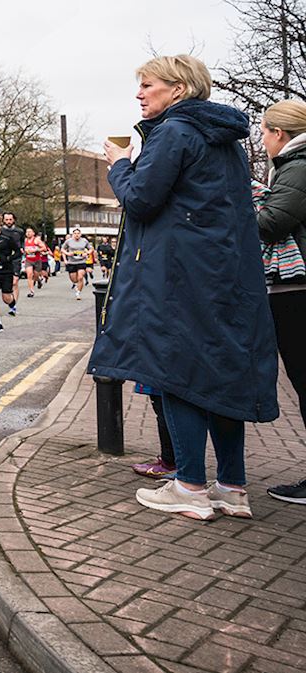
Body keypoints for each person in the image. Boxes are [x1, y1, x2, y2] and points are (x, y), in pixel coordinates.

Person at [89, 55, 277, 522]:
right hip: (224, 273)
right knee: (222, 374)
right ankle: (232, 486)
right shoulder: (226, 140)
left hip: (179, 275)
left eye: (147, 85)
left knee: (176, 372)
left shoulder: (174, 132)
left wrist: (120, 166)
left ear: (177, 89)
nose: (139, 94)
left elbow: (141, 200)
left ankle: (190, 485)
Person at [256, 99, 306, 504]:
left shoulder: (298, 167)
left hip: (298, 293)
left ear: (279, 134)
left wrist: (245, 205)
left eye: (264, 131)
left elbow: (271, 223)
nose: (262, 138)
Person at [0, 212, 24, 314]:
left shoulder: (19, 231)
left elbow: (22, 243)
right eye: (6, 219)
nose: (8, 221)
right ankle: (9, 299)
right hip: (4, 259)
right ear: (3, 220)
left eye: (10, 219)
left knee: (15, 282)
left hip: (16, 259)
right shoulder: (0, 231)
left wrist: (23, 249)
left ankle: (13, 307)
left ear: (14, 220)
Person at [61, 227, 91, 299]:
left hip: (81, 261)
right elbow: (62, 249)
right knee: (74, 279)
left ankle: (78, 293)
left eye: (78, 233)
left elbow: (91, 249)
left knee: (80, 277)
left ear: (80, 234)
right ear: (73, 234)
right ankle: (76, 285)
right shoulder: (68, 241)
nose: (77, 235)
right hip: (72, 262)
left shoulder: (84, 241)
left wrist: (87, 253)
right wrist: (67, 254)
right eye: (75, 233)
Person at [22, 226, 49, 297]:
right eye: (27, 232)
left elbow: (44, 248)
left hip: (37, 260)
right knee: (29, 274)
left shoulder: (36, 240)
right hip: (28, 260)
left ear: (33, 233)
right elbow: (21, 248)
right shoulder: (24, 241)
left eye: (30, 232)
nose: (28, 233)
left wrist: (35, 250)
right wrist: (24, 251)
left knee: (36, 275)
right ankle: (31, 291)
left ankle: (39, 281)